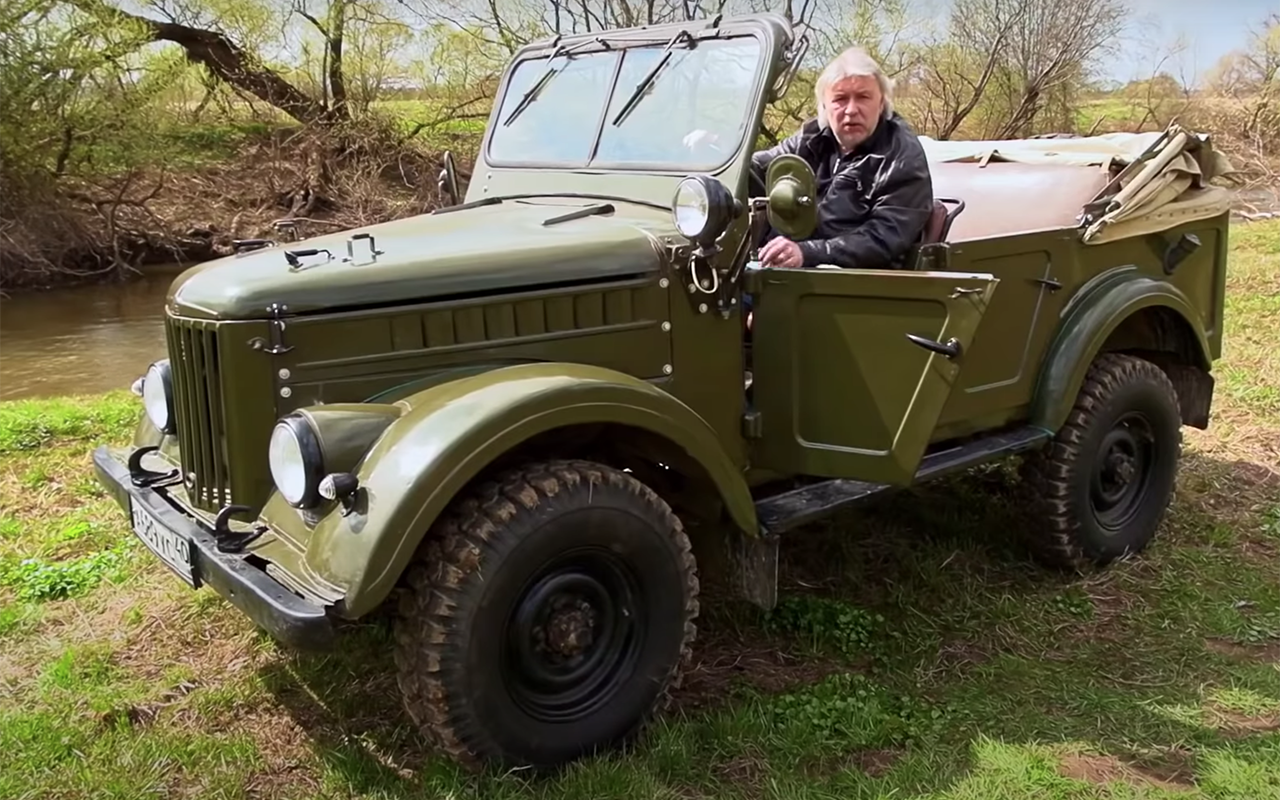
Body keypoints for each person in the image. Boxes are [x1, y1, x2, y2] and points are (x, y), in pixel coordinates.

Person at [685, 46, 934, 271]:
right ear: (824, 106)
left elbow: (884, 237)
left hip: (858, 281)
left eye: (863, 97)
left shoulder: (901, 155)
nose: (851, 109)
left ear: (881, 103)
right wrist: (721, 153)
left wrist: (809, 252)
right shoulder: (813, 137)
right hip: (790, 270)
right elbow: (762, 169)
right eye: (840, 99)